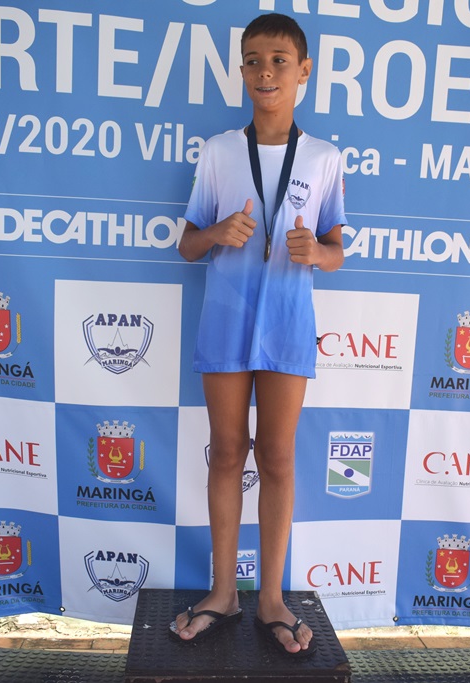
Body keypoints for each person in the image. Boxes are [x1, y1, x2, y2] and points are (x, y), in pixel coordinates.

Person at [169, 13, 346, 657]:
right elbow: (189, 244)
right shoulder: (219, 151)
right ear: (241, 70)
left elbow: (336, 250)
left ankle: (271, 598)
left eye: (278, 60)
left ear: (304, 71)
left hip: (288, 325)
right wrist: (218, 233)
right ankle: (223, 592)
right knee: (225, 451)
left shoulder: (324, 158)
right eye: (252, 60)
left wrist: (314, 252)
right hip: (226, 320)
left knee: (276, 457)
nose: (264, 72)